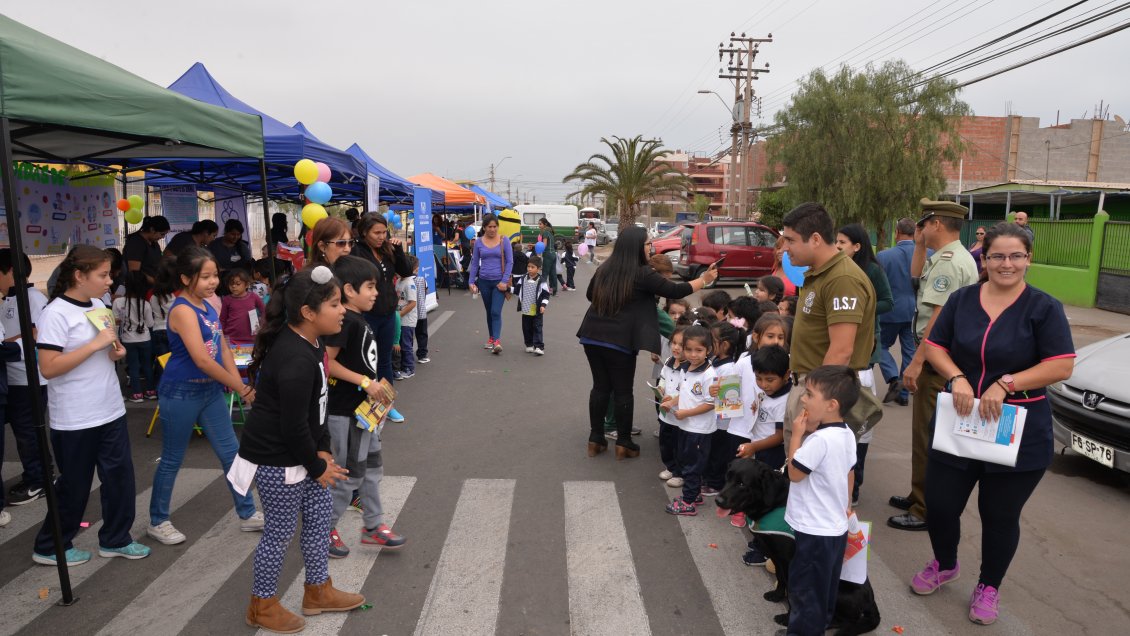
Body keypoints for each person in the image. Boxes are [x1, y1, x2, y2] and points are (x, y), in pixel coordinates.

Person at [913, 222, 1074, 625]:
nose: (1007, 264)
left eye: (1016, 255)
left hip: (1016, 428)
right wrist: (957, 377)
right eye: (997, 255)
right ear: (983, 258)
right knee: (941, 504)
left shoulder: (1043, 307)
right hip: (961, 420)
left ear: (1028, 259)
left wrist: (1008, 383)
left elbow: (1062, 364)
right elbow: (934, 346)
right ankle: (945, 563)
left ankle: (989, 585)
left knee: (999, 514)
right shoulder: (963, 299)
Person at [232, 266, 364, 632]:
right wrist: (317, 464)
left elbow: (315, 409)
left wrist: (322, 451)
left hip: (305, 452)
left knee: (320, 521)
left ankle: (318, 589)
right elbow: (291, 426)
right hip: (277, 459)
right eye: (335, 304)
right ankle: (261, 605)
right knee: (279, 533)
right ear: (308, 313)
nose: (343, 310)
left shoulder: (313, 342)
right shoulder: (293, 358)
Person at [32, 245, 149, 566]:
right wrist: (94, 345)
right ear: (79, 276)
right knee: (75, 485)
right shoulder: (55, 313)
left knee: (120, 479)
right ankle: (50, 545)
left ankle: (115, 538)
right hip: (74, 417)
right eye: (102, 275)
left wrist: (113, 351)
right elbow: (49, 367)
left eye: (110, 274)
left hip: (109, 408)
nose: (110, 280)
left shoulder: (99, 304)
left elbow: (108, 348)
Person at [147, 247, 262, 546]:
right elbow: (202, 360)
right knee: (172, 458)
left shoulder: (208, 305)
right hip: (181, 392)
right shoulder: (182, 310)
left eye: (215, 276)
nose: (213, 282)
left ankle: (247, 513)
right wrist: (242, 389)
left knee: (231, 454)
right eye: (206, 277)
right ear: (185, 278)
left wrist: (242, 384)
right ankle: (158, 521)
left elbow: (223, 350)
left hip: (209, 391)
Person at [576, 227, 718, 458]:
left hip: (591, 336)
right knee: (622, 390)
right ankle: (623, 443)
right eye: (647, 244)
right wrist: (705, 279)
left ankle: (596, 439)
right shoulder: (642, 273)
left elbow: (590, 295)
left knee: (600, 387)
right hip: (619, 341)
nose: (651, 248)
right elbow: (675, 289)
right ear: (636, 247)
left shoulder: (605, 268)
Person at [888, 199, 979, 532]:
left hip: (936, 362)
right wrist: (920, 245)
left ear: (936, 224)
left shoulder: (949, 263)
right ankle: (918, 495)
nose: (919, 230)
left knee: (928, 435)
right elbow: (915, 280)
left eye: (923, 225)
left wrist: (915, 361)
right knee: (924, 431)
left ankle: (925, 507)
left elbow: (937, 318)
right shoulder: (946, 258)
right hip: (941, 358)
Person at [325, 256, 406, 559]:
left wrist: (376, 389)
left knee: (372, 470)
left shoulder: (360, 320)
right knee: (349, 475)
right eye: (370, 287)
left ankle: (373, 526)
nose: (376, 292)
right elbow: (327, 363)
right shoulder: (343, 321)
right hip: (345, 413)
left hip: (364, 414)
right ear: (348, 290)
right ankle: (324, 529)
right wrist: (364, 381)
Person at [779, 203, 877, 447]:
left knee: (815, 476)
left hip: (821, 393)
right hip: (810, 388)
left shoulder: (842, 279)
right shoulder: (820, 273)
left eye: (790, 240)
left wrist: (818, 408)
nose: (785, 248)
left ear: (815, 239)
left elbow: (842, 350)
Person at [784, 365, 859, 636]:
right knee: (824, 587)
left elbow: (794, 473)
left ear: (831, 405)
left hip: (814, 530)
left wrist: (796, 436)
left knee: (805, 591)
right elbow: (850, 471)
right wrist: (847, 503)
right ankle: (819, 624)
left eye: (809, 394)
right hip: (834, 526)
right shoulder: (847, 433)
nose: (803, 399)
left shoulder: (819, 440)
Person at [835, 223, 893, 505]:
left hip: (863, 355)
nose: (838, 246)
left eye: (843, 242)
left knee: (859, 427)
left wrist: (864, 307)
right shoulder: (837, 270)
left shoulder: (872, 270)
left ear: (857, 246)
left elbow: (887, 302)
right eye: (836, 241)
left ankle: (854, 487)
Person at [0, 250, 50, 507]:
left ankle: (39, 479)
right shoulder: (8, 298)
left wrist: (4, 344)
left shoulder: (31, 297)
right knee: (23, 431)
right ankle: (35, 474)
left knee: (28, 432)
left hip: (29, 377)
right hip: (14, 377)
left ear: (10, 270)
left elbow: (36, 332)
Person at [352, 213, 411, 423]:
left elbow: (405, 271)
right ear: (364, 232)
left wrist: (398, 250)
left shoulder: (388, 248)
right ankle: (365, 410)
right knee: (366, 363)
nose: (381, 236)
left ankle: (387, 406)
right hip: (367, 315)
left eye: (384, 232)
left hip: (388, 314)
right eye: (376, 233)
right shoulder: (356, 252)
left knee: (385, 361)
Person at [733, 344, 791, 537]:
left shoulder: (783, 401)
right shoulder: (768, 392)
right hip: (759, 446)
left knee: (768, 494)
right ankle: (756, 524)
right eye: (758, 378)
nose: (764, 384)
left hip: (772, 452)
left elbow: (780, 436)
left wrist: (754, 446)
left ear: (786, 375)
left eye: (770, 380)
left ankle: (767, 532)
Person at [661, 324, 717, 515]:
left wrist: (686, 413)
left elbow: (711, 404)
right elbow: (684, 393)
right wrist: (672, 401)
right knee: (687, 461)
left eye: (699, 350)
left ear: (708, 350)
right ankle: (694, 495)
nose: (693, 355)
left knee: (692, 466)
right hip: (686, 426)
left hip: (699, 429)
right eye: (689, 350)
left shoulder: (709, 374)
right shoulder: (686, 368)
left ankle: (688, 502)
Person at [877, 218, 923, 407]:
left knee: (879, 345)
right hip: (915, 310)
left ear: (897, 232)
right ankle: (904, 393)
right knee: (910, 351)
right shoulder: (926, 253)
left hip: (890, 310)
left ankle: (893, 377)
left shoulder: (884, 256)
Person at [703, 321, 745, 506]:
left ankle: (715, 483)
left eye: (712, 340)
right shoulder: (717, 362)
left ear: (725, 345)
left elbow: (729, 402)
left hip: (723, 423)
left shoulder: (729, 369)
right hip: (715, 421)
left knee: (718, 454)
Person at [468, 214, 514, 355]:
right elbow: (475, 263)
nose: (492, 229)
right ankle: (492, 337)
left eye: (495, 226)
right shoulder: (479, 243)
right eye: (490, 227)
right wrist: (471, 281)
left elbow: (509, 262)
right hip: (484, 281)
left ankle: (497, 341)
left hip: (499, 282)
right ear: (484, 228)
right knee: (489, 311)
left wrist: (504, 281)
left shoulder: (503, 240)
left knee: (495, 311)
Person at [113, 271, 156, 403]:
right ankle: (150, 391)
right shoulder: (146, 304)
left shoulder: (118, 302)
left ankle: (137, 394)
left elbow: (115, 322)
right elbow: (150, 324)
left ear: (126, 285)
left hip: (128, 339)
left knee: (133, 366)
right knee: (147, 365)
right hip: (145, 338)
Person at [657, 325, 687, 489]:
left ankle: (679, 473)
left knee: (680, 446)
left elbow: (689, 392)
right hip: (665, 413)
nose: (676, 347)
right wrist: (660, 389)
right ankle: (670, 467)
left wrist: (673, 401)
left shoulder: (690, 368)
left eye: (681, 345)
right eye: (673, 343)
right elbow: (662, 378)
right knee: (665, 442)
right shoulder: (668, 361)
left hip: (680, 415)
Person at [513, 254, 551, 355]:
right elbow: (516, 290)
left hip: (537, 309)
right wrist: (506, 289)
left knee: (537, 327)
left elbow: (546, 295)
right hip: (525, 309)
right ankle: (529, 344)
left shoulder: (542, 281)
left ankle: (539, 346)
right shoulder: (523, 278)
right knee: (526, 328)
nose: (529, 269)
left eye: (532, 267)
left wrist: (543, 305)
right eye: (528, 267)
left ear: (538, 269)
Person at [220, 269, 266, 345]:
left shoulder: (253, 297)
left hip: (252, 338)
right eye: (231, 284)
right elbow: (222, 319)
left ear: (247, 285)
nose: (234, 286)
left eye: (238, 284)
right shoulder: (227, 300)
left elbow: (264, 311)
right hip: (232, 339)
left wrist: (261, 325)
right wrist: (221, 336)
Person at [123, 215, 170, 286]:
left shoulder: (154, 242)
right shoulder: (136, 243)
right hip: (141, 288)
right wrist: (156, 283)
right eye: (162, 234)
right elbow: (135, 272)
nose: (162, 237)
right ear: (152, 230)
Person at [208, 219, 255, 285]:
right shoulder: (214, 245)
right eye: (233, 234)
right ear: (226, 232)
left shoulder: (243, 247)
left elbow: (248, 266)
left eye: (238, 234)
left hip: (238, 283)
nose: (235, 237)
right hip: (218, 282)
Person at [395, 255, 419, 379]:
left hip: (407, 320)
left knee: (405, 345)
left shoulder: (409, 283)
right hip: (399, 319)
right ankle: (401, 366)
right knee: (398, 344)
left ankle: (409, 367)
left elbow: (413, 303)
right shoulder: (399, 281)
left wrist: (399, 314)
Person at [414, 258, 430, 365]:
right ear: (416, 268)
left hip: (408, 314)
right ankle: (422, 355)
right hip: (421, 312)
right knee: (422, 334)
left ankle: (405, 356)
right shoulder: (421, 279)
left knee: (407, 336)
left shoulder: (402, 280)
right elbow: (426, 290)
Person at [537, 218, 559, 296]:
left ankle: (543, 291)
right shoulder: (550, 231)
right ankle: (554, 291)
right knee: (553, 273)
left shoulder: (545, 232)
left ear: (545, 224)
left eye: (540, 224)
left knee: (545, 273)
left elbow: (544, 244)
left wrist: (539, 253)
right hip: (553, 254)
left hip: (548, 254)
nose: (539, 226)